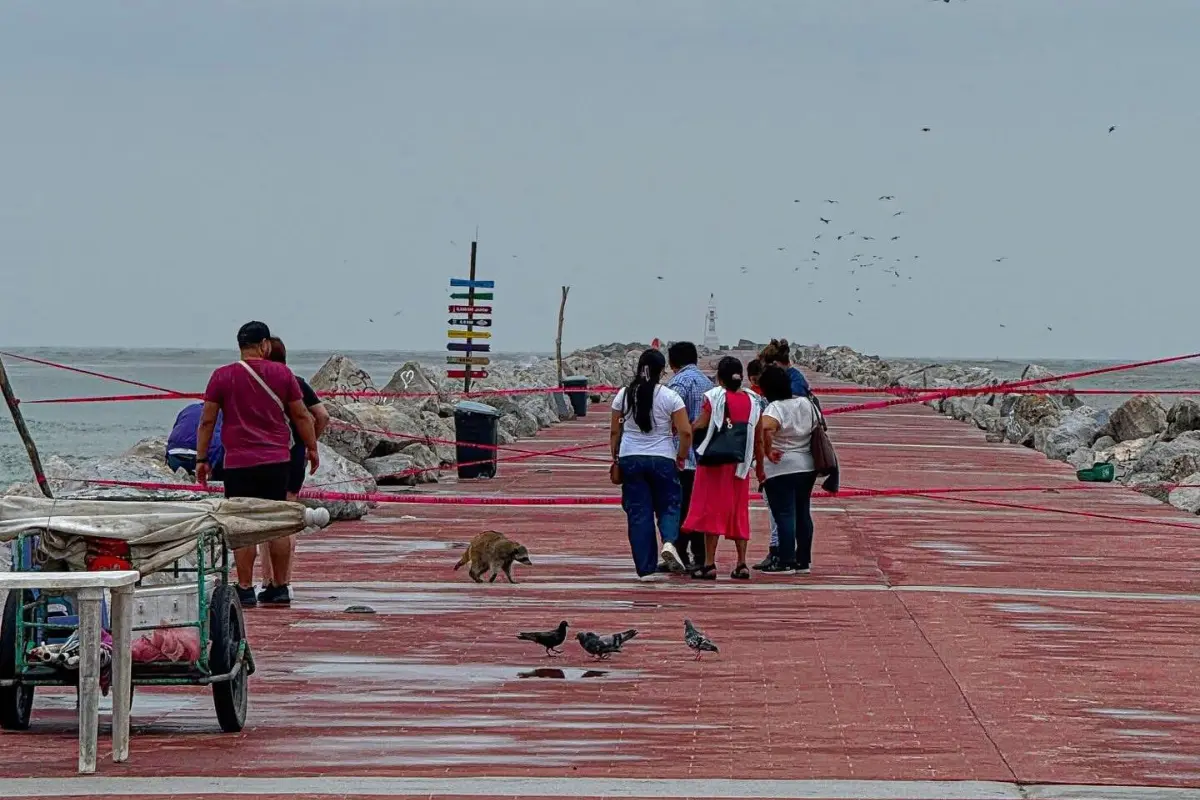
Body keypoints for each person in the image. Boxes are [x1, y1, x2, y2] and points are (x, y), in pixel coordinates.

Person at [196, 321, 319, 608]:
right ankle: (278, 587)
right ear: (264, 345)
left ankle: (245, 587)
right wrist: (311, 447)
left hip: (238, 462)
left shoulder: (221, 376)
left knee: (242, 525)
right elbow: (302, 416)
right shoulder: (283, 374)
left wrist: (201, 459)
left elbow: (207, 420)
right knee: (276, 522)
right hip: (277, 460)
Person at [253, 336, 331, 602]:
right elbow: (322, 415)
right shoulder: (296, 382)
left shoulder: (259, 383)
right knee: (288, 519)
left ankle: (267, 581)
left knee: (266, 523)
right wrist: (310, 443)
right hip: (294, 456)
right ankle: (285, 581)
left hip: (265, 456)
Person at [610, 348, 692, 580]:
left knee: (639, 512)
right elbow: (685, 431)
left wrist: (615, 456)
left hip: (630, 458)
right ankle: (668, 541)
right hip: (663, 457)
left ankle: (645, 566)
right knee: (669, 505)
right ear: (662, 371)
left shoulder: (624, 395)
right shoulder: (670, 397)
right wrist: (681, 456)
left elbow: (615, 430)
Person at [682, 356, 761, 580]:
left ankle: (709, 564)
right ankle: (742, 562)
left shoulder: (715, 397)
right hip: (740, 464)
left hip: (715, 463)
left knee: (711, 510)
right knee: (738, 510)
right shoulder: (752, 400)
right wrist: (761, 466)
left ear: (720, 378)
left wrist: (684, 430)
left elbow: (702, 423)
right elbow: (759, 437)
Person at [755, 364, 819, 575]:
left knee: (784, 513)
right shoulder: (805, 403)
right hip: (807, 465)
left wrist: (768, 450)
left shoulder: (775, 408)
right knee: (803, 513)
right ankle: (803, 560)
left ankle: (785, 559)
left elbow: (765, 427)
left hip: (781, 467)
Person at [665, 341, 712, 571]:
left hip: (681, 454)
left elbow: (669, 417)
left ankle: (679, 553)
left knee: (678, 508)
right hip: (704, 456)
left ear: (672, 362)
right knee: (700, 508)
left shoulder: (677, 383)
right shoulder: (708, 382)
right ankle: (701, 556)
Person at [746, 360, 782, 571]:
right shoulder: (794, 399)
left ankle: (777, 550)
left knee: (775, 508)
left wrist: (760, 459)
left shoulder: (757, 400)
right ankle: (788, 551)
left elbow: (761, 433)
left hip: (772, 459)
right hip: (792, 461)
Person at [165, 403, 225, 479]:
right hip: (197, 458)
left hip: (174, 456)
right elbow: (218, 444)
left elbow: (174, 433)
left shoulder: (189, 408)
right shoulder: (221, 414)